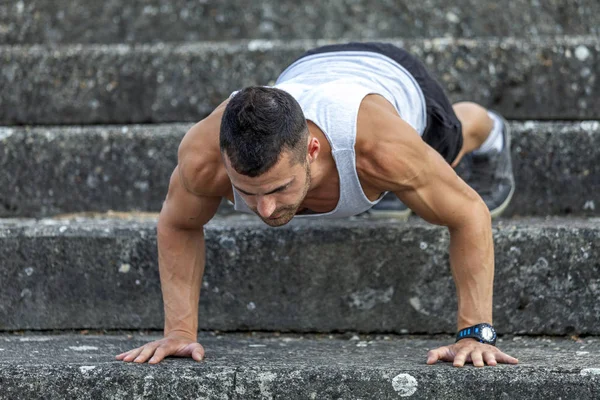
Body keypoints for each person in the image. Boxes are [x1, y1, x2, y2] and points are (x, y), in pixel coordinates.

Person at [115, 42, 518, 368]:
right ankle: (381, 193)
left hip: (394, 76)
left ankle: (490, 127)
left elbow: (469, 213)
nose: (266, 210)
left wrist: (475, 332)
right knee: (399, 185)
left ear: (312, 149)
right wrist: (180, 333)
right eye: (248, 192)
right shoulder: (202, 156)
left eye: (279, 188)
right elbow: (178, 223)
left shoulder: (379, 148)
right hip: (310, 67)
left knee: (449, 154)